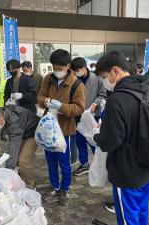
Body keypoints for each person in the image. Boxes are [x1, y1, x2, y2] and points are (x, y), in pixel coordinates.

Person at [93, 52, 149, 225]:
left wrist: (97, 136)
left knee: (128, 218)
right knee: (142, 210)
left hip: (127, 171)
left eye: (105, 77)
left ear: (114, 71)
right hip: (148, 165)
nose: (106, 81)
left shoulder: (117, 99)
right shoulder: (147, 89)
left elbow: (110, 141)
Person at [37, 49, 85, 206]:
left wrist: (61, 106)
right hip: (48, 130)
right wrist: (45, 101)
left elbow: (79, 108)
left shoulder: (76, 84)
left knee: (64, 162)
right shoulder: (47, 79)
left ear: (68, 66)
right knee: (50, 160)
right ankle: (54, 186)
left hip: (65, 130)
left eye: (60, 68)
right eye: (54, 67)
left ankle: (64, 188)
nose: (56, 71)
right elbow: (40, 96)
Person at [0, 105, 40, 189]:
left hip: (34, 132)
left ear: (0, 118)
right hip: (24, 130)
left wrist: (8, 171)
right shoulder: (4, 113)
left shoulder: (13, 122)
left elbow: (13, 148)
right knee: (16, 157)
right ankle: (18, 178)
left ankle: (30, 186)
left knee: (23, 160)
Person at [70, 57, 106, 176]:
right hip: (78, 115)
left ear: (85, 67)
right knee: (80, 140)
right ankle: (84, 164)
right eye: (74, 70)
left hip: (92, 115)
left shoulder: (97, 79)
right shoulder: (73, 79)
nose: (77, 72)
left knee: (93, 140)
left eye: (78, 69)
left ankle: (100, 164)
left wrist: (95, 103)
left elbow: (103, 95)